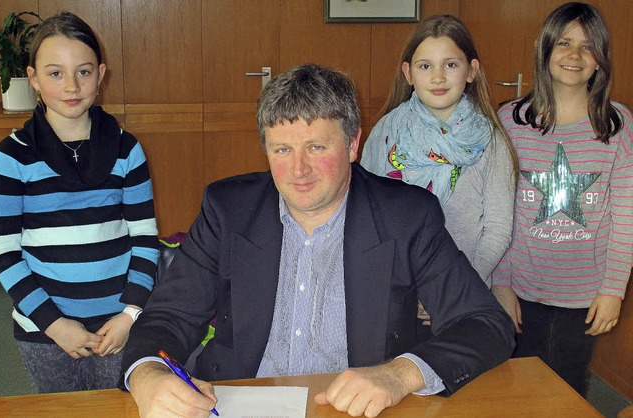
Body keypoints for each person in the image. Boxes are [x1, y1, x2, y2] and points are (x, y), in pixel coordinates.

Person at [121, 63, 514, 418]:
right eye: (282, 150)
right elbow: (168, 317)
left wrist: (399, 374)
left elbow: (485, 323)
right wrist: (148, 377)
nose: (298, 170)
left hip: (356, 411)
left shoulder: (406, 216)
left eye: (316, 147)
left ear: (354, 144)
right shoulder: (228, 210)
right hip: (237, 404)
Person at [0, 12, 159, 393]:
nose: (71, 85)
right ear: (33, 78)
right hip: (45, 330)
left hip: (115, 326)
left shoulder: (126, 149)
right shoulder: (12, 156)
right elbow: (4, 253)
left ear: (101, 75)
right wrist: (54, 324)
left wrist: (130, 314)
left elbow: (145, 239)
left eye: (83, 72)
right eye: (55, 73)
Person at [491, 2, 633, 397]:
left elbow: (626, 216)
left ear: (601, 58)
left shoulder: (618, 127)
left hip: (586, 294)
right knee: (517, 382)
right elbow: (500, 212)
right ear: (545, 49)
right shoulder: (511, 121)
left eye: (588, 47)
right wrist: (500, 283)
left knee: (568, 386)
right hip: (521, 287)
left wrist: (613, 290)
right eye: (565, 43)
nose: (575, 55)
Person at [360, 15, 515, 336]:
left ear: (471, 71)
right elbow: (366, 217)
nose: (438, 77)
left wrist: (456, 285)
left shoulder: (492, 139)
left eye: (451, 65)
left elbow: (498, 228)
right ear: (408, 73)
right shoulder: (386, 133)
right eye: (426, 66)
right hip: (395, 293)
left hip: (463, 293)